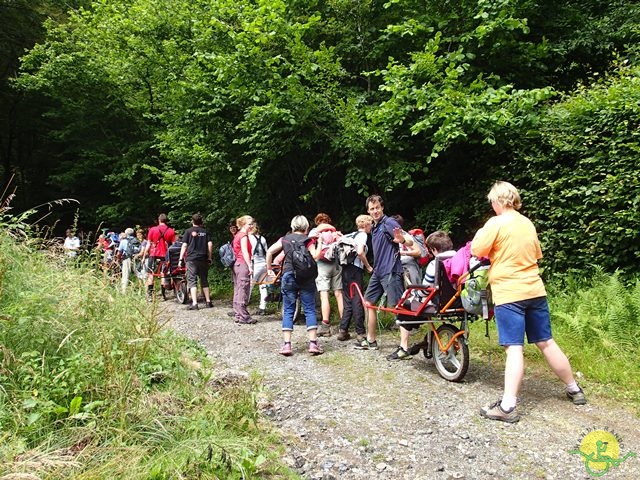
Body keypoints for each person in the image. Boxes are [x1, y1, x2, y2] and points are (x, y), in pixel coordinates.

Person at [471, 181, 586, 423]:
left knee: (514, 347)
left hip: (509, 293)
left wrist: (482, 233)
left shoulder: (496, 222)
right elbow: (536, 254)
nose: (491, 205)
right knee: (546, 341)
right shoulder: (527, 223)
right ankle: (574, 388)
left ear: (499, 200)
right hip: (535, 290)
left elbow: (477, 249)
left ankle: (508, 406)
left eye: (492, 201)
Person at [357, 195, 413, 358]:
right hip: (378, 272)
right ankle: (371, 340)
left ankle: (404, 348)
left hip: (391, 271)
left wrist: (403, 240)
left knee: (399, 307)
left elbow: (408, 240)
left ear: (382, 208)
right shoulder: (374, 227)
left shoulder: (389, 223)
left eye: (377, 208)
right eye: (372, 209)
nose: (375, 211)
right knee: (368, 302)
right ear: (368, 211)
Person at [266, 215, 323, 356]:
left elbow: (269, 252)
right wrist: (320, 242)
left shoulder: (284, 239)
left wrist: (269, 270)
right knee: (309, 309)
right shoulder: (307, 240)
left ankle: (287, 345)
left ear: (292, 227)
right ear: (306, 227)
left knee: (289, 310)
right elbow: (315, 256)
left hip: (288, 275)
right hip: (305, 277)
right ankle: (313, 343)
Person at [337, 215, 373, 342]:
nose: (372, 227)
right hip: (355, 269)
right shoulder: (363, 235)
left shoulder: (350, 234)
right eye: (371, 224)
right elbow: (360, 252)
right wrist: (368, 267)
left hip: (345, 269)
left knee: (348, 299)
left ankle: (343, 330)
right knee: (357, 299)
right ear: (366, 224)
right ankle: (360, 333)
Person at [308, 213, 343, 337]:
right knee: (339, 294)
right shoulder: (334, 232)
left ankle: (325, 325)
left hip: (322, 265)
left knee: (324, 295)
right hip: (336, 264)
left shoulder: (315, 231)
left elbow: (309, 244)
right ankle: (343, 325)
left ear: (317, 222)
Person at [179, 213, 214, 310]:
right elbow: (210, 245)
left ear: (192, 221)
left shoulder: (188, 231)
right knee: (204, 279)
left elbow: (184, 245)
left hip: (191, 259)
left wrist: (181, 259)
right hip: (203, 258)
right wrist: (209, 257)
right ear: (201, 222)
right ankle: (208, 301)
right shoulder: (205, 232)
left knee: (192, 280)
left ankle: (195, 303)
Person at [143, 214, 177, 302]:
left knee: (150, 274)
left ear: (159, 220)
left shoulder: (152, 229)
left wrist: (144, 255)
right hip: (165, 255)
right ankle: (163, 295)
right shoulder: (171, 231)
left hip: (153, 254)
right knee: (163, 274)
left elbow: (148, 244)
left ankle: (150, 296)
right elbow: (174, 245)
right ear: (166, 221)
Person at [232, 215, 256, 324]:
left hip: (237, 264)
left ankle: (238, 314)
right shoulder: (243, 236)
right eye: (249, 224)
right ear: (243, 224)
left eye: (252, 223)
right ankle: (244, 316)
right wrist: (250, 266)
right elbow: (245, 252)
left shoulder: (237, 235)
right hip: (242, 264)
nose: (251, 226)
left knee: (238, 289)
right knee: (243, 289)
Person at [392, 214, 423, 287]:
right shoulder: (390, 236)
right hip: (396, 265)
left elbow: (418, 252)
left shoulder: (406, 236)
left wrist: (403, 253)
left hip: (408, 265)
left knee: (412, 289)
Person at [248, 223, 269, 315]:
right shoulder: (263, 238)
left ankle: (243, 305)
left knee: (249, 285)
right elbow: (267, 252)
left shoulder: (249, 238)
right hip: (263, 264)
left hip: (254, 264)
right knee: (263, 285)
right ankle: (263, 307)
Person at [117, 228, 137, 293]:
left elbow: (119, 253)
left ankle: (124, 292)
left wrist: (118, 259)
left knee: (125, 275)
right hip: (136, 259)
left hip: (126, 259)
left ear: (126, 234)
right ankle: (141, 289)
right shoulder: (136, 240)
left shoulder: (123, 241)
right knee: (138, 275)